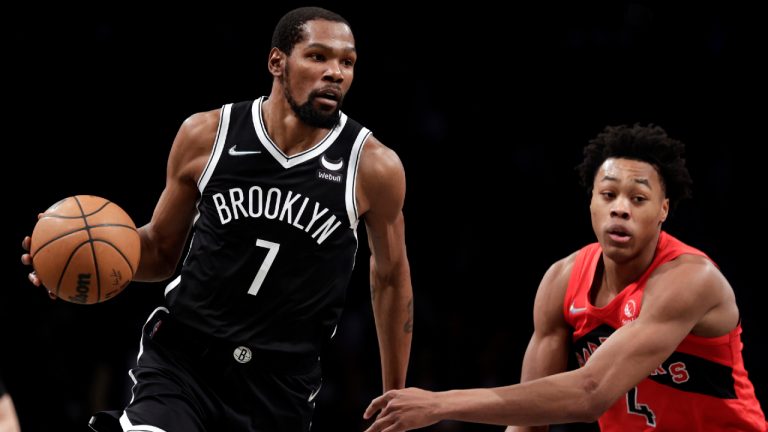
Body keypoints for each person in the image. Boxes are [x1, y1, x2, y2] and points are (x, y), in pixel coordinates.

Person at [21, 6, 413, 431]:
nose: (335, 72)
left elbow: (391, 277)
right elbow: (159, 250)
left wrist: (396, 392)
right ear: (277, 62)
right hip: (185, 360)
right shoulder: (207, 135)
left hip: (280, 385)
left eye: (347, 62)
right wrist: (73, 264)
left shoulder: (372, 166)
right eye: (318, 56)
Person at [363, 124, 767, 431]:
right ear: (591, 200)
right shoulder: (562, 280)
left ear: (664, 209)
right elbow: (528, 422)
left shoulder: (690, 279)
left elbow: (591, 391)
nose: (620, 209)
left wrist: (439, 405)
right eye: (608, 195)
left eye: (638, 198)